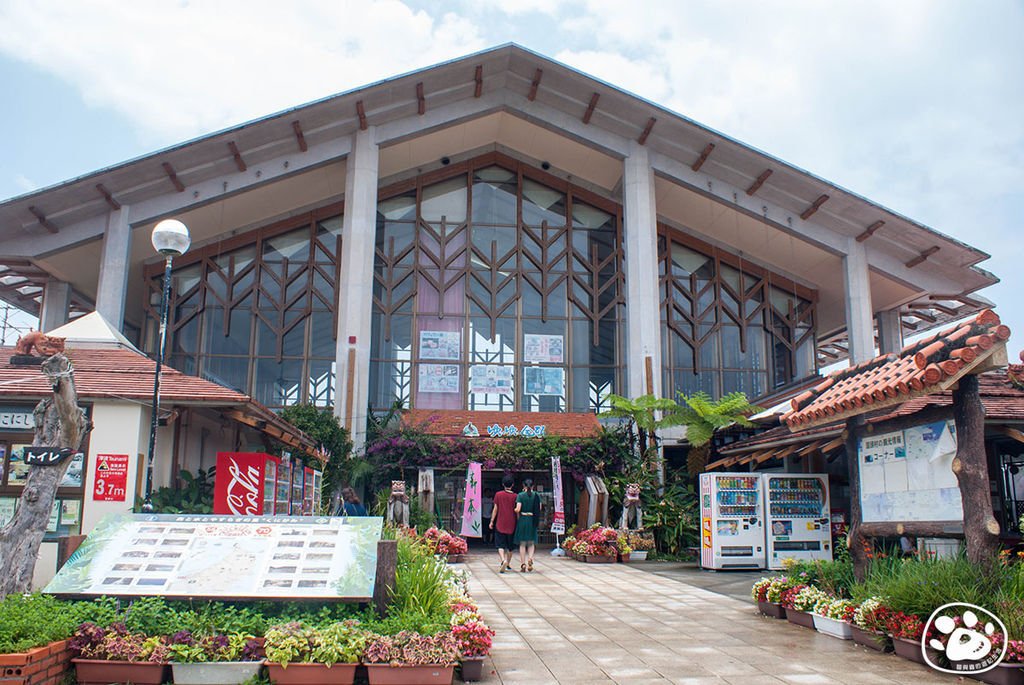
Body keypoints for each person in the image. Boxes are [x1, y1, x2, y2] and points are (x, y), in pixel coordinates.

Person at [490, 475, 518, 573]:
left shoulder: (498, 494)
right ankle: (508, 563)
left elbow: (495, 509)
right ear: (513, 485)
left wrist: (492, 521)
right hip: (512, 523)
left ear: (503, 484)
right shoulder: (515, 496)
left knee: (500, 544)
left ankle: (503, 560)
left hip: (500, 523)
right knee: (510, 546)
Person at [514, 477, 541, 572]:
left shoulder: (520, 495)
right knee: (531, 543)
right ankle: (530, 558)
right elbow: (539, 508)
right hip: (532, 520)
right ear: (533, 486)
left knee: (522, 544)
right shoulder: (536, 495)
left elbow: (518, 509)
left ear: (523, 485)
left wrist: (514, 510)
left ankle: (523, 564)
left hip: (523, 519)